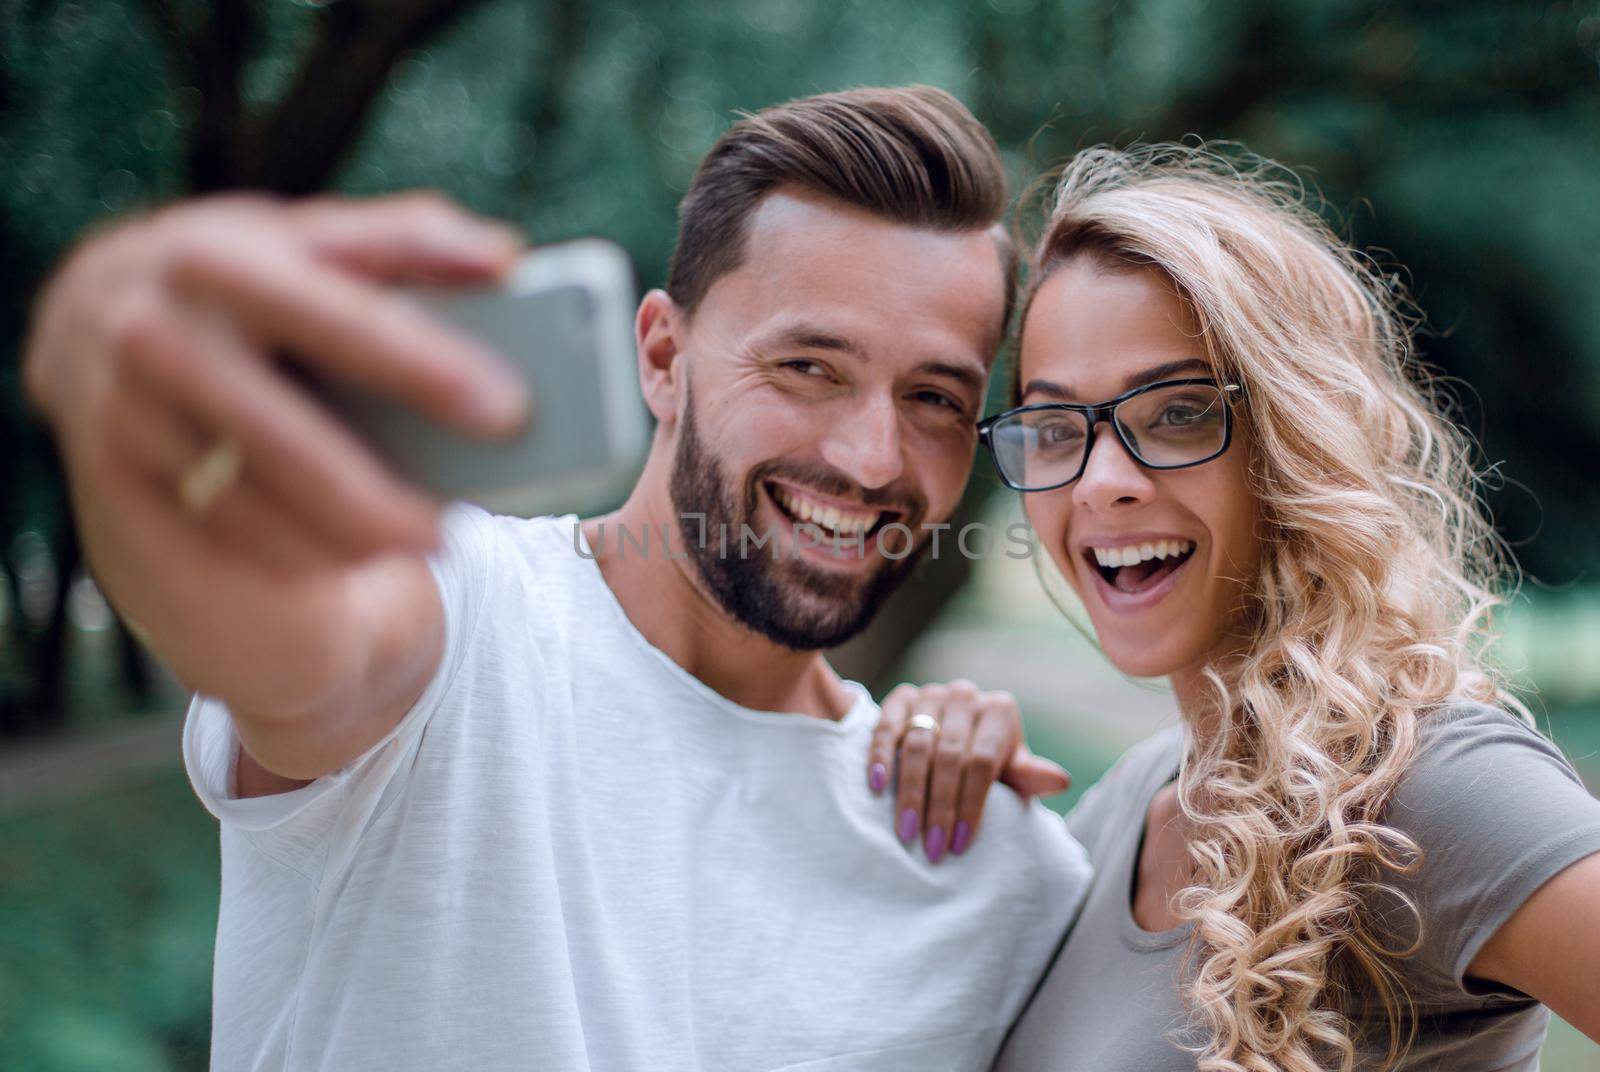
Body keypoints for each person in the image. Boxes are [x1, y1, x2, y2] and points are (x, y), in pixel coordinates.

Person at [21, 87, 1091, 1070]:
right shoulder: (460, 619)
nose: (870, 458)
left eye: (935, 399)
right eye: (808, 367)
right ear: (663, 358)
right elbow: (274, 638)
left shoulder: (993, 871)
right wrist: (133, 428)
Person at [872, 144, 1600, 1070]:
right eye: (1055, 428)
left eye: (1175, 412)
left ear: (1296, 437)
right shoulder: (1127, 806)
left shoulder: (1424, 791)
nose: (1101, 484)